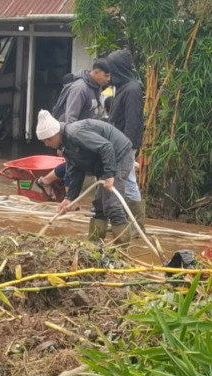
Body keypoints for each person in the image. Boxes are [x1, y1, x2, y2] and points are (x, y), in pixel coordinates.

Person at [36, 109, 138, 246]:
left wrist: (109, 175)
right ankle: (94, 245)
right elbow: (75, 171)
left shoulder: (75, 133)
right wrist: (69, 198)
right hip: (105, 161)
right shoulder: (66, 145)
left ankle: (123, 249)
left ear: (54, 135)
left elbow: (106, 147)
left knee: (112, 205)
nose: (46, 145)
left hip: (119, 155)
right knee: (99, 205)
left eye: (46, 141)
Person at [41, 61, 111, 195]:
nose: (108, 79)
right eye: (106, 76)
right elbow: (70, 118)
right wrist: (65, 145)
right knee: (73, 166)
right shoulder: (80, 88)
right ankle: (69, 199)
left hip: (85, 137)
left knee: (76, 166)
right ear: (96, 72)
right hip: (74, 137)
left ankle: (50, 184)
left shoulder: (96, 87)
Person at [106, 48, 145, 235]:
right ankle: (132, 224)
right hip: (119, 141)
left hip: (126, 143)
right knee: (127, 180)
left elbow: (133, 121)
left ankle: (133, 225)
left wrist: (126, 146)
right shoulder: (123, 87)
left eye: (112, 69)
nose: (110, 73)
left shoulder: (132, 89)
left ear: (119, 69)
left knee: (126, 180)